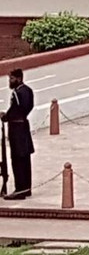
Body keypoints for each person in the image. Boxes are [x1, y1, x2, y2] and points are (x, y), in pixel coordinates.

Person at [2, 68, 34, 200]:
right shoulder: (28, 90)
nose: (10, 81)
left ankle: (20, 189)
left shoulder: (18, 92)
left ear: (19, 79)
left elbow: (17, 108)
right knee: (25, 158)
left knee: (18, 158)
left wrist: (6, 116)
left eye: (12, 79)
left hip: (17, 128)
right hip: (23, 125)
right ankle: (27, 188)